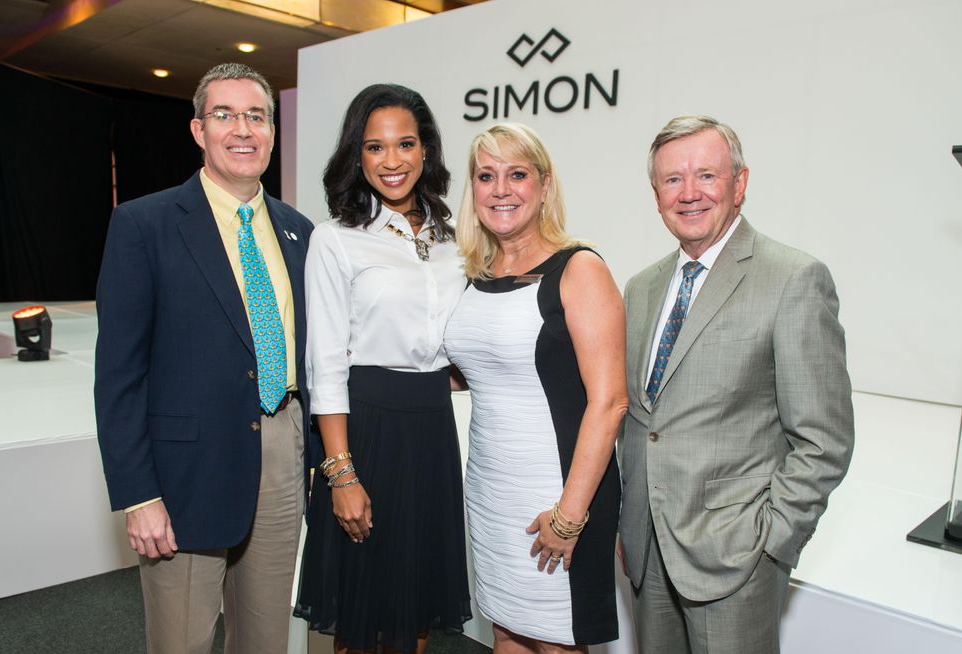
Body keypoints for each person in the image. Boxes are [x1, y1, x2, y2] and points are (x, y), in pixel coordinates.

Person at [94, 62, 313, 654]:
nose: (242, 129)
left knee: (266, 637)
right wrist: (139, 496)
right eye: (224, 115)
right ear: (198, 130)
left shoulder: (299, 231)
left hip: (281, 449)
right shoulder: (143, 224)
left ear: (272, 131)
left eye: (256, 116)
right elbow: (118, 377)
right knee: (182, 641)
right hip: (184, 471)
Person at [617, 115, 855, 653]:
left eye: (706, 175)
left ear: (739, 183)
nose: (689, 193)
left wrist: (772, 541)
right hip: (648, 551)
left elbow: (824, 440)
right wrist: (629, 523)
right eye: (672, 179)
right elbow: (639, 421)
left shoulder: (793, 279)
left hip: (736, 558)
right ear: (656, 195)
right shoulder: (641, 287)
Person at [294, 83, 471, 654]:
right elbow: (325, 364)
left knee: (415, 608)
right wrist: (341, 475)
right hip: (366, 429)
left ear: (426, 150)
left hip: (432, 429)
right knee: (360, 614)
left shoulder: (456, 239)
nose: (392, 160)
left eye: (405, 144)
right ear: (357, 155)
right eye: (375, 147)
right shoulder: (336, 239)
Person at [444, 123, 628, 652]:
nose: (501, 189)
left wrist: (569, 516)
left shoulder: (579, 268)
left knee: (557, 640)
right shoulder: (475, 274)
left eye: (517, 175)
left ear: (545, 185)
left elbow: (610, 402)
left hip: (558, 493)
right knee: (505, 629)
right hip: (491, 490)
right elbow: (478, 367)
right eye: (486, 176)